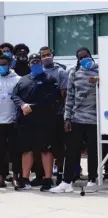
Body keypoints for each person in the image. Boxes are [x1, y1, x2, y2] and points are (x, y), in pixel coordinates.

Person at [50, 47, 99, 193]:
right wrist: (67, 118)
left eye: (86, 56)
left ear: (91, 56)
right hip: (77, 117)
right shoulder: (74, 73)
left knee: (93, 151)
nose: (84, 59)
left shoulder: (101, 71)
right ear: (77, 60)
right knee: (72, 150)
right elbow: (69, 97)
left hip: (95, 119)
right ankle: (66, 182)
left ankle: (92, 179)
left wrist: (99, 80)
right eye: (81, 58)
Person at [11, 53, 59, 191]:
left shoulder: (50, 79)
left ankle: (48, 179)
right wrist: (22, 105)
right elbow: (15, 95)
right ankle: (25, 179)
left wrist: (32, 107)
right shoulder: (23, 80)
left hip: (44, 121)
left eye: (38, 61)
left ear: (41, 63)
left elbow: (52, 98)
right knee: (27, 150)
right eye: (33, 62)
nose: (36, 64)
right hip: (25, 121)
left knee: (46, 150)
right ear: (29, 64)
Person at [39, 46, 68, 186]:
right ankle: (45, 176)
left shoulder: (61, 71)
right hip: (43, 116)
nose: (46, 57)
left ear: (53, 55)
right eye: (43, 55)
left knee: (59, 146)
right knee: (45, 147)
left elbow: (64, 94)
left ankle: (61, 173)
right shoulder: (38, 72)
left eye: (48, 54)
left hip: (58, 114)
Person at [0, 55, 20, 187]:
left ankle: (16, 176)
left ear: (9, 65)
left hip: (13, 121)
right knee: (1, 151)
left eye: (4, 64)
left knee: (15, 150)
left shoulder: (17, 79)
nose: (2, 67)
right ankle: (1, 176)